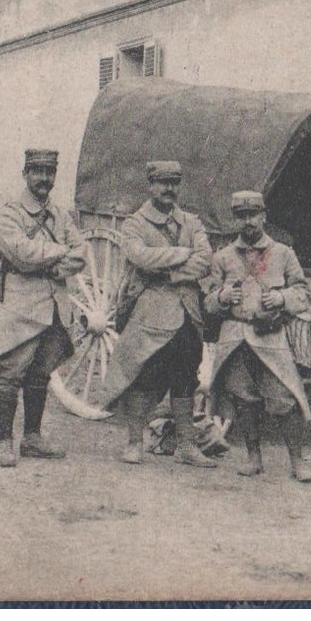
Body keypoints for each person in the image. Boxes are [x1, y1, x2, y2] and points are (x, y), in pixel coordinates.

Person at [98, 161, 215, 467]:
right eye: (162, 183)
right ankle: (135, 442)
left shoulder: (192, 222)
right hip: (150, 310)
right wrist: (180, 254)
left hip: (188, 311)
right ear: (150, 186)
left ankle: (188, 445)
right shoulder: (135, 223)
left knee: (186, 377)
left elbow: (205, 260)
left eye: (175, 182)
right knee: (144, 374)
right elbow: (139, 257)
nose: (169, 189)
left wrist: (170, 271)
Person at [0, 148, 86, 467]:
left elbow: (80, 253)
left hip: (53, 303)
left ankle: (33, 437)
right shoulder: (12, 212)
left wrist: (54, 265)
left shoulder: (60, 215)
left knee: (41, 373)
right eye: (37, 172)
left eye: (49, 173)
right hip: (20, 306)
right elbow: (18, 251)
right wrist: (58, 252)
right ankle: (4, 440)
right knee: (11, 373)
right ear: (25, 174)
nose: (44, 179)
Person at [207, 191, 311, 481]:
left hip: (270, 337)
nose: (248, 222)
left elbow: (304, 294)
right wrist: (222, 296)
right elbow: (207, 301)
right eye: (241, 216)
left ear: (264, 216)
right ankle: (254, 458)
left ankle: (297, 462)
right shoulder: (223, 257)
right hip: (235, 338)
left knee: (284, 398)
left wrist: (281, 298)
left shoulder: (283, 253)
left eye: (253, 214)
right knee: (243, 399)